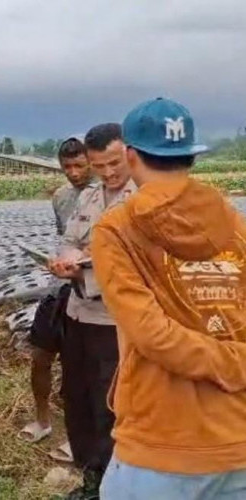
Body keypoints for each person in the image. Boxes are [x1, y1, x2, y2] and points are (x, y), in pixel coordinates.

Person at [92, 98, 246, 499]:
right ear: (191, 155)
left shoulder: (117, 229)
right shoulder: (233, 221)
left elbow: (153, 335)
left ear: (130, 156)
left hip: (161, 445)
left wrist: (229, 362)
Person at [48, 123, 136, 500]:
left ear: (129, 153)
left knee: (109, 403)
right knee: (76, 395)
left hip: (112, 320)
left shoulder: (141, 199)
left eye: (114, 163)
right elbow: (70, 239)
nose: (109, 173)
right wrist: (66, 260)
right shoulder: (89, 197)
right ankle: (90, 475)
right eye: (100, 166)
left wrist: (87, 262)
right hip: (78, 310)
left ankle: (111, 486)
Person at [20, 137, 92, 457]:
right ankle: (42, 420)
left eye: (80, 165)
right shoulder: (61, 197)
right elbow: (65, 238)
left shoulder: (106, 197)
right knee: (40, 355)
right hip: (59, 287)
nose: (74, 173)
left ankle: (77, 435)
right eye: (67, 167)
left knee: (78, 368)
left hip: (90, 290)